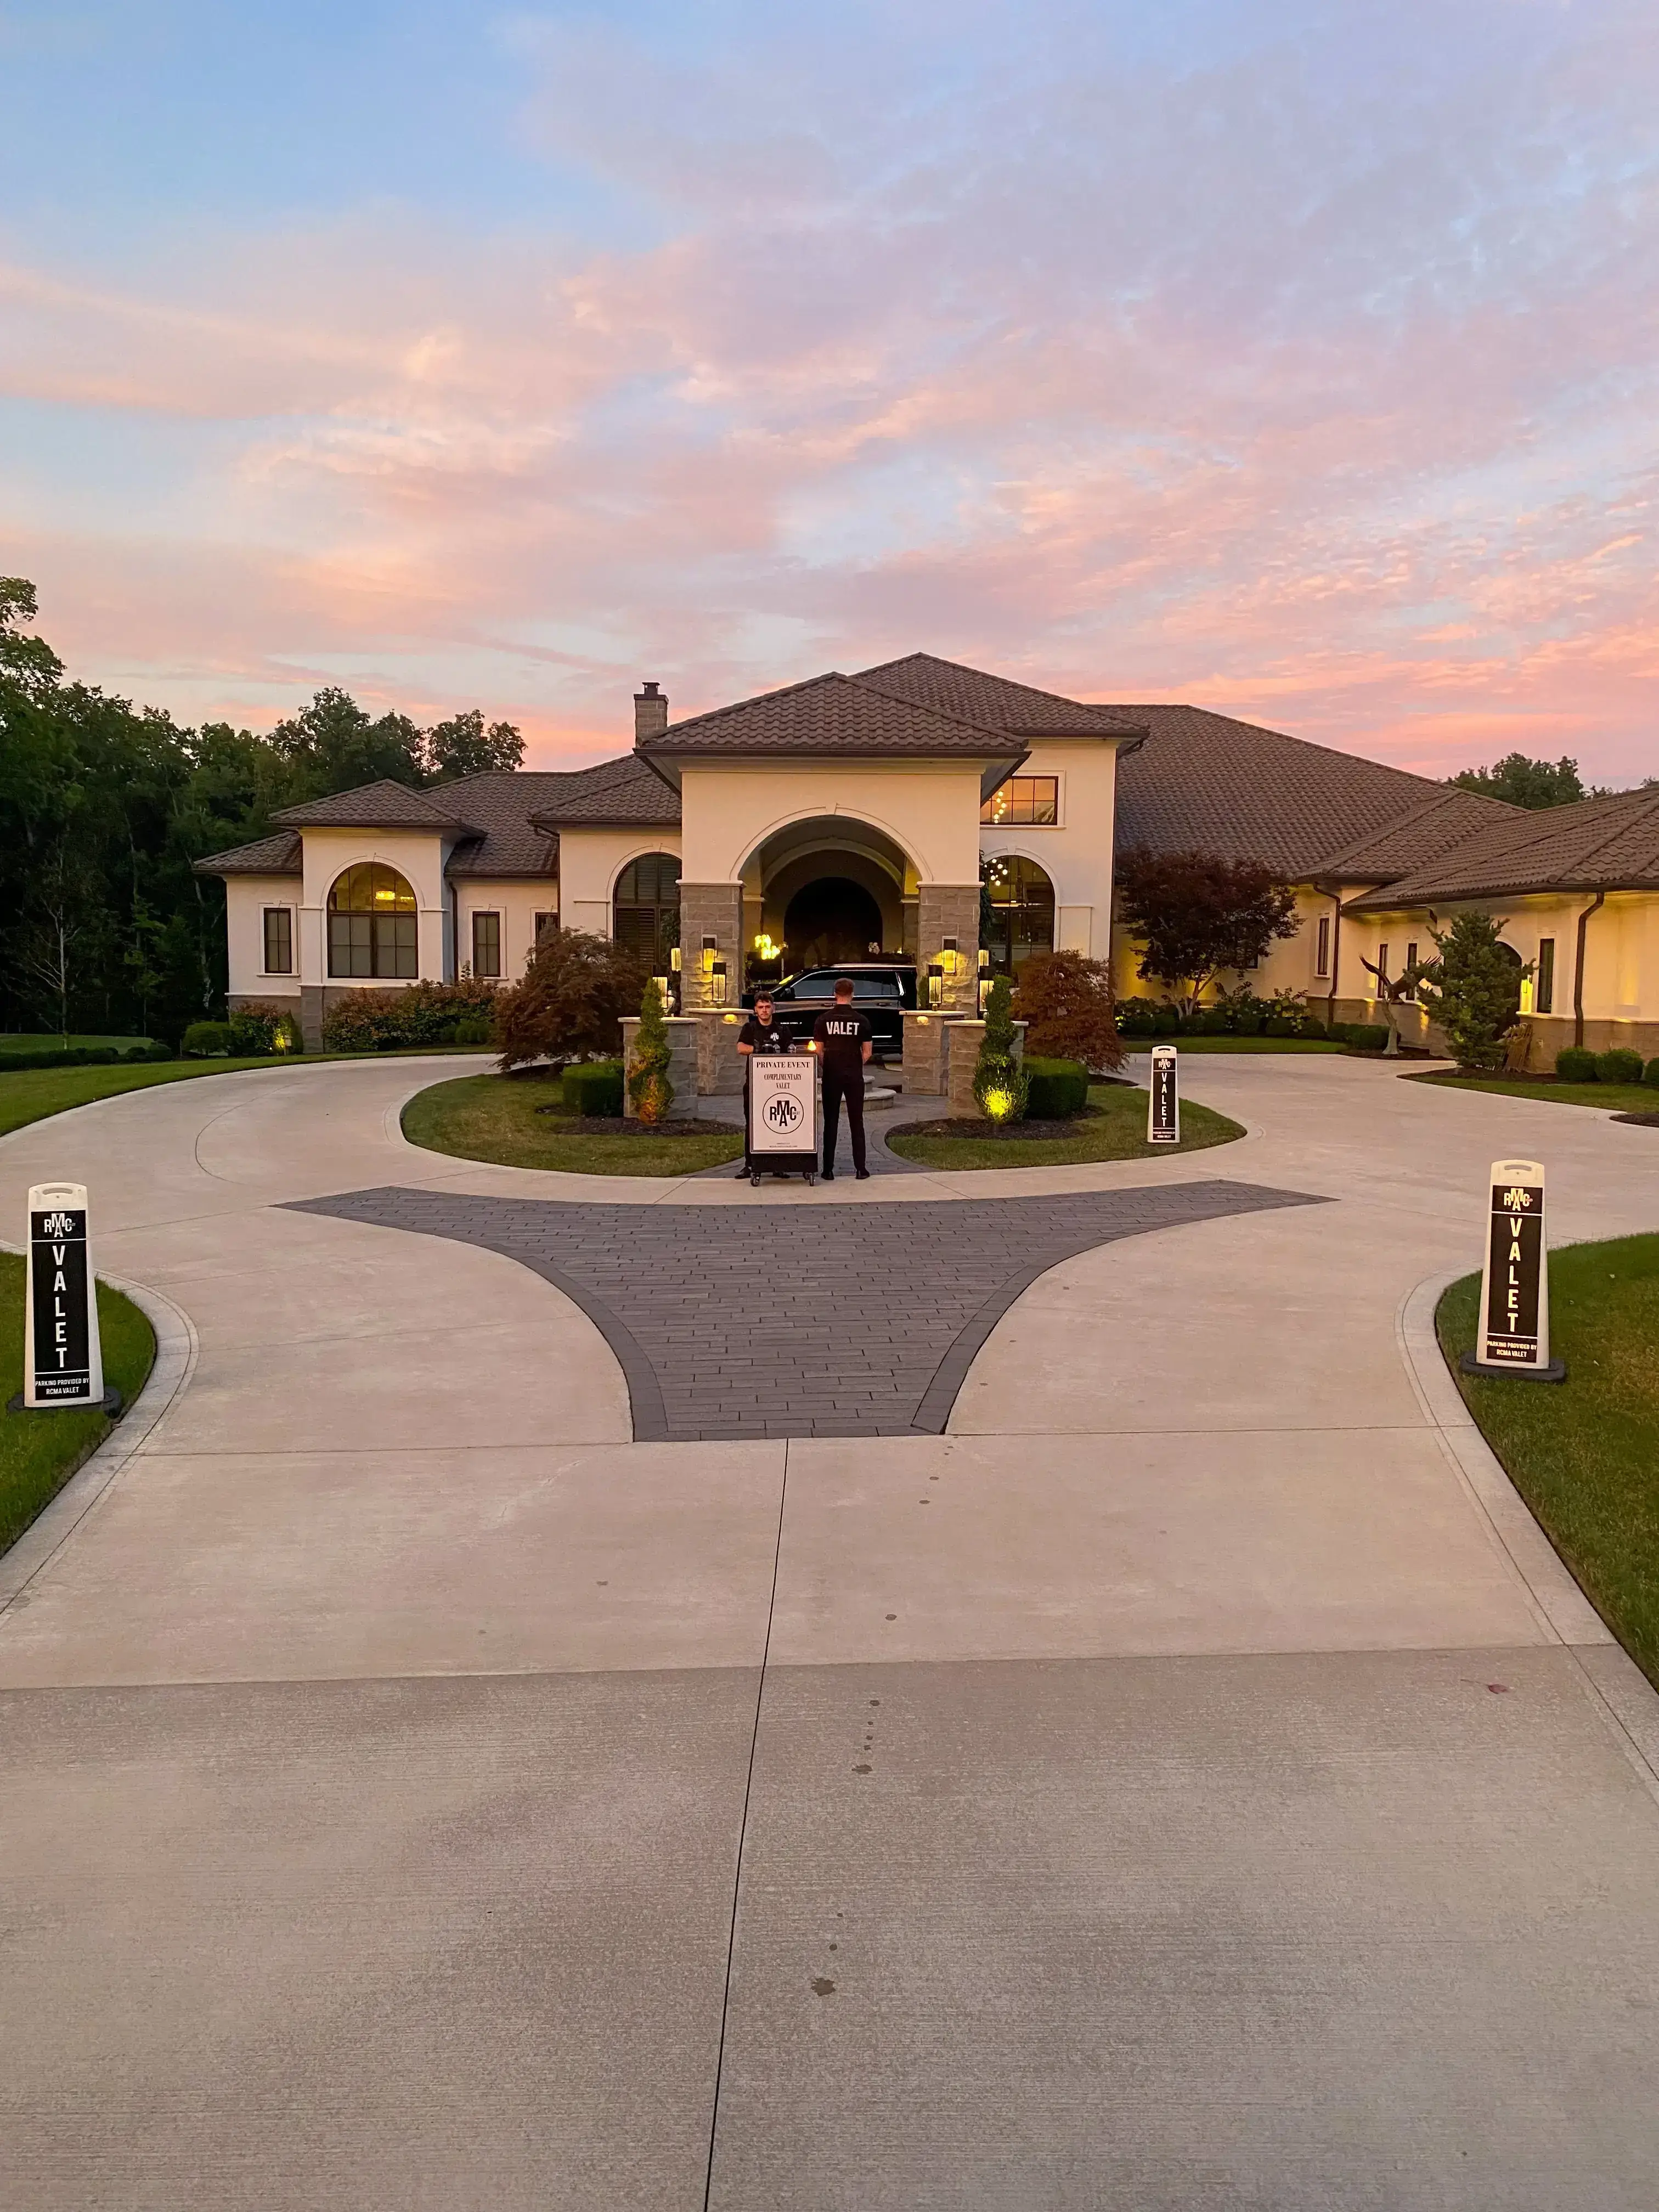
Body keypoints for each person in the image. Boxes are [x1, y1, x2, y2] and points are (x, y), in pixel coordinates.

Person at [812, 977, 872, 1181]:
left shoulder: (823, 1020)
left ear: (835, 994)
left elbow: (819, 1051)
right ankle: (861, 1169)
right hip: (854, 1075)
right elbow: (867, 1052)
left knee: (831, 1121)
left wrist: (827, 1064)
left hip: (832, 1074)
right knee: (857, 1121)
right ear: (852, 994)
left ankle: (828, 1169)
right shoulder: (862, 1020)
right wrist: (855, 1064)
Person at [736, 990, 790, 1176]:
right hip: (754, 1084)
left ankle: (777, 1165)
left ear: (773, 1008)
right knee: (752, 1124)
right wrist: (759, 1049)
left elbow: (790, 1049)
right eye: (761, 1007)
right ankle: (750, 1164)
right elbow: (741, 1048)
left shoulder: (782, 1029)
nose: (765, 1010)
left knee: (776, 1123)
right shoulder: (749, 1028)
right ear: (755, 1010)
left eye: (768, 1007)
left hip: (777, 1085)